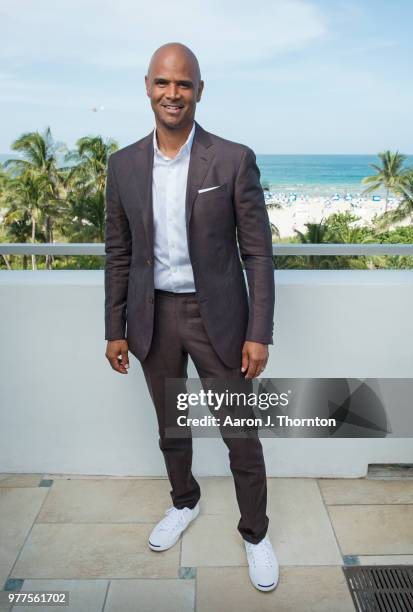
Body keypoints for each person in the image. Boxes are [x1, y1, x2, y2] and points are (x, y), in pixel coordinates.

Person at [104, 42, 278, 592]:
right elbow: (119, 252)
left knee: (239, 435)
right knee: (170, 428)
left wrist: (259, 332)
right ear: (148, 87)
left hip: (218, 319)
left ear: (199, 90)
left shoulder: (231, 159)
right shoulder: (124, 164)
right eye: (163, 83)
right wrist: (115, 327)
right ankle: (185, 502)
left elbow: (258, 253)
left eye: (183, 84)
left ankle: (255, 533)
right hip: (151, 319)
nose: (172, 93)